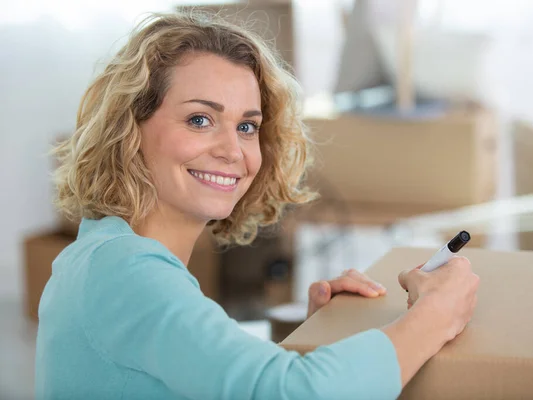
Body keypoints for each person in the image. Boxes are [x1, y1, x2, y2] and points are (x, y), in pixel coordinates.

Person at [35, 11, 479, 400]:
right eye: (200, 119)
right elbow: (296, 394)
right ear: (130, 130)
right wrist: (437, 315)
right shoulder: (125, 271)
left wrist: (316, 334)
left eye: (247, 126)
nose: (234, 151)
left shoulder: (107, 255)